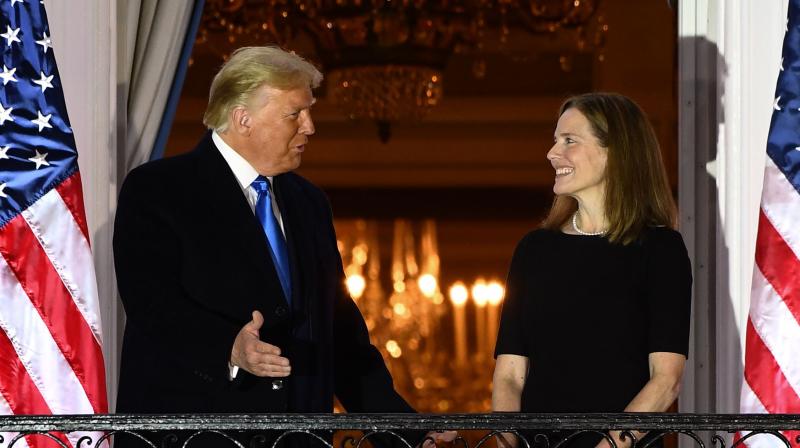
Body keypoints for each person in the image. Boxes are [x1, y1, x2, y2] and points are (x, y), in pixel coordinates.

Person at [113, 46, 450, 448]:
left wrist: (403, 430)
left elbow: (339, 331)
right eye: (295, 114)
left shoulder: (309, 203)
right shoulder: (159, 189)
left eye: (309, 112)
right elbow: (152, 304)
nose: (310, 127)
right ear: (243, 119)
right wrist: (229, 347)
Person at [491, 93, 692, 448]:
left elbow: (666, 381)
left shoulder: (661, 250)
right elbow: (509, 376)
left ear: (616, 152)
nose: (552, 153)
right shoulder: (533, 249)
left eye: (569, 141)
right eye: (556, 141)